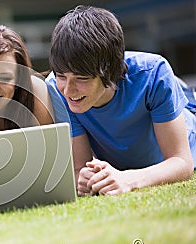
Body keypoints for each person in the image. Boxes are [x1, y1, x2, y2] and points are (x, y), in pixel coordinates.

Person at [46, 5, 195, 197]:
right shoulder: (56, 90)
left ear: (109, 71)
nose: (68, 90)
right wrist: (84, 178)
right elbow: (79, 168)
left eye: (81, 79)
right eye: (61, 76)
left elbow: (182, 162)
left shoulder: (153, 73)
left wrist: (129, 180)